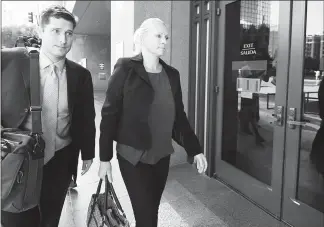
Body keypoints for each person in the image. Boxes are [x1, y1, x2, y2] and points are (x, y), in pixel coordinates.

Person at [98, 18, 208, 227]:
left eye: (166, 37)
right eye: (158, 36)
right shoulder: (125, 68)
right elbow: (109, 114)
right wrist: (105, 158)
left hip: (161, 156)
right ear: (142, 37)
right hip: (133, 157)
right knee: (146, 215)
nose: (164, 41)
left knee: (151, 211)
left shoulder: (172, 75)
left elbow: (179, 118)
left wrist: (195, 149)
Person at [1, 5, 96, 227]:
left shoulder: (80, 75)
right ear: (41, 32)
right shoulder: (11, 60)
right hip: (18, 157)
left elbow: (85, 116)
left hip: (60, 158)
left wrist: (88, 153)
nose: (63, 39)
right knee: (16, 219)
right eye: (55, 31)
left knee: (51, 218)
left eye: (69, 33)